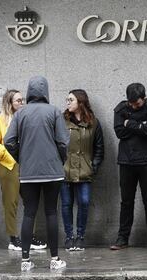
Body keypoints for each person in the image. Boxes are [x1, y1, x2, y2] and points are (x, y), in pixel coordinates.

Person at [4, 76, 69, 271]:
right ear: (46, 91)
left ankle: (25, 261)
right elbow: (63, 142)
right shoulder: (54, 111)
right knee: (51, 212)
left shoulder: (21, 114)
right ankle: (55, 259)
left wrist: (21, 158)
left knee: (29, 213)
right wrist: (59, 160)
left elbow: (9, 141)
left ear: (29, 91)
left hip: (28, 173)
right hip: (52, 172)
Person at [0, 89, 46, 251]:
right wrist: (8, 157)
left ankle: (30, 236)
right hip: (9, 167)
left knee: (31, 201)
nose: (22, 103)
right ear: (9, 103)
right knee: (11, 203)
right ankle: (13, 239)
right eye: (18, 101)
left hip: (28, 165)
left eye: (22, 100)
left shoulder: (26, 118)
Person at [111, 82, 147, 250]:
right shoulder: (120, 109)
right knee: (126, 202)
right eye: (131, 103)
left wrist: (130, 123)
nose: (134, 106)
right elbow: (120, 132)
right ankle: (122, 238)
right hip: (126, 161)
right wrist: (140, 126)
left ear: (144, 98)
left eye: (137, 103)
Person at [61, 89, 104, 251]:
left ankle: (80, 237)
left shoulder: (93, 122)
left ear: (81, 102)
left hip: (85, 171)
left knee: (84, 203)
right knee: (66, 204)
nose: (67, 102)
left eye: (71, 100)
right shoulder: (61, 121)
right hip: (65, 170)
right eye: (67, 99)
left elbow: (99, 147)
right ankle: (68, 237)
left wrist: (94, 166)